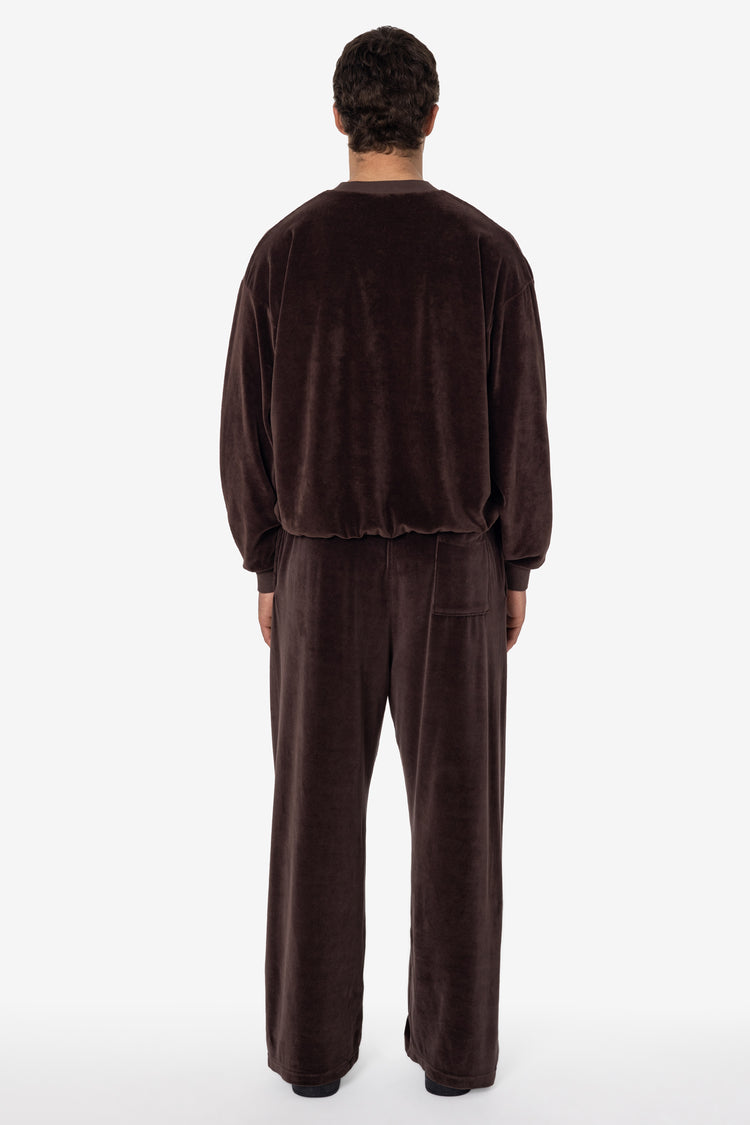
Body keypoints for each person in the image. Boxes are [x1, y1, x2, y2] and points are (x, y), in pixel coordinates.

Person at [219, 24, 552, 1100]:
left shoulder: (284, 253)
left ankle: (311, 1053)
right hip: (457, 572)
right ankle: (455, 1056)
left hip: (319, 572)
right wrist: (516, 564)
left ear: (337, 118)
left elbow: (243, 430)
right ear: (433, 118)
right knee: (459, 823)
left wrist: (269, 561)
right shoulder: (488, 254)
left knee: (313, 820)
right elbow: (521, 423)